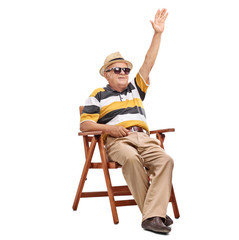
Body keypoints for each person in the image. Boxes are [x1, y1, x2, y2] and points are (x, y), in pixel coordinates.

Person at [80, 9, 174, 234]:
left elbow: (148, 62)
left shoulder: (136, 88)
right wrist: (109, 129)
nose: (124, 72)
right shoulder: (98, 95)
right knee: (131, 159)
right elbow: (85, 125)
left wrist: (158, 34)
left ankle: (152, 215)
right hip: (118, 141)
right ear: (106, 74)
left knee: (166, 161)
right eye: (117, 69)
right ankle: (154, 214)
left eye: (126, 69)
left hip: (144, 138)